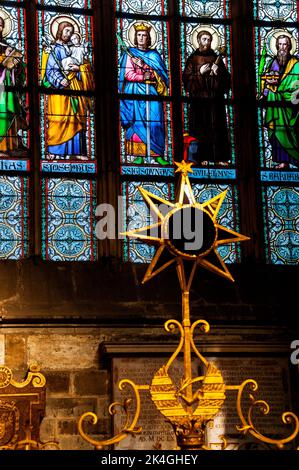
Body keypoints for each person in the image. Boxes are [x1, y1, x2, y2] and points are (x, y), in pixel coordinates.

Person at [42, 20, 94, 160]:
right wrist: (60, 80)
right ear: (59, 31)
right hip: (59, 91)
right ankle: (54, 150)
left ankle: (77, 152)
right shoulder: (53, 49)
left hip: (75, 88)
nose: (69, 34)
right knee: (58, 119)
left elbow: (86, 66)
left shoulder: (76, 48)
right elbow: (49, 70)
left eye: (71, 32)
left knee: (76, 119)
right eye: (66, 31)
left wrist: (79, 69)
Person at [119, 23, 169, 165]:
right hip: (134, 92)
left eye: (144, 35)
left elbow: (162, 76)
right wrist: (142, 76)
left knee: (155, 120)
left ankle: (157, 153)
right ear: (135, 37)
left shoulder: (154, 55)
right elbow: (127, 74)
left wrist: (146, 67)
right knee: (137, 122)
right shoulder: (129, 54)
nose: (141, 38)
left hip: (152, 92)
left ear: (149, 38)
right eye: (139, 35)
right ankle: (138, 154)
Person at [183, 30, 231, 166]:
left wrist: (218, 72)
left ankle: (219, 158)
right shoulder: (192, 59)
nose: (206, 42)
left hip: (216, 102)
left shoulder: (217, 58)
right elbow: (186, 80)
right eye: (204, 39)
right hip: (199, 101)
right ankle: (200, 157)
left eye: (209, 40)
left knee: (218, 130)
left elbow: (227, 81)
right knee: (200, 129)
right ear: (198, 41)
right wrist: (200, 73)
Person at [260, 33, 299, 169]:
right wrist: (264, 94)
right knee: (277, 131)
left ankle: (293, 159)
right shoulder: (273, 63)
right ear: (276, 46)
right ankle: (282, 161)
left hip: (291, 105)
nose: (282, 47)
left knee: (292, 131)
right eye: (280, 44)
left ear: (289, 47)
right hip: (276, 105)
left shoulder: (296, 64)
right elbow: (267, 82)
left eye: (285, 44)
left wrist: (286, 90)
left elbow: (297, 84)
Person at [0, 15, 27, 157]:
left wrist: (16, 63)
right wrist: (3, 59)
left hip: (8, 85)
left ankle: (12, 145)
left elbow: (19, 71)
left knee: (11, 112)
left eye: (0, 25)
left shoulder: (7, 46)